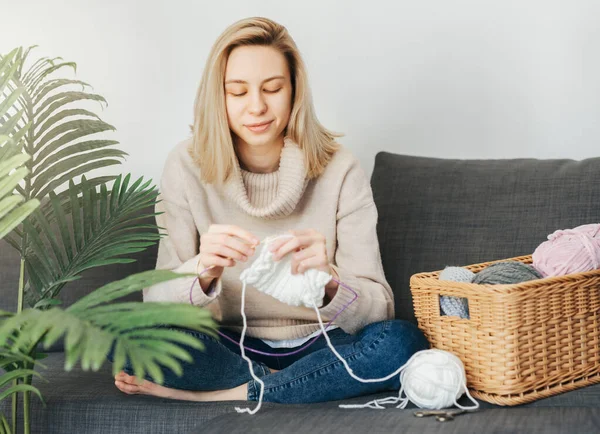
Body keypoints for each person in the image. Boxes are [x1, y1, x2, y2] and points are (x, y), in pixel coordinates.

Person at [113, 16, 428, 404]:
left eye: (272, 88)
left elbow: (380, 309)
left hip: (323, 344)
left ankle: (234, 392)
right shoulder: (185, 165)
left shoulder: (339, 167)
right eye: (238, 91)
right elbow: (154, 305)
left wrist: (330, 280)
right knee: (130, 345)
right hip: (226, 345)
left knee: (402, 342)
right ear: (219, 97)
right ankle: (296, 384)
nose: (257, 107)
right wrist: (202, 272)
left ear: (294, 91)